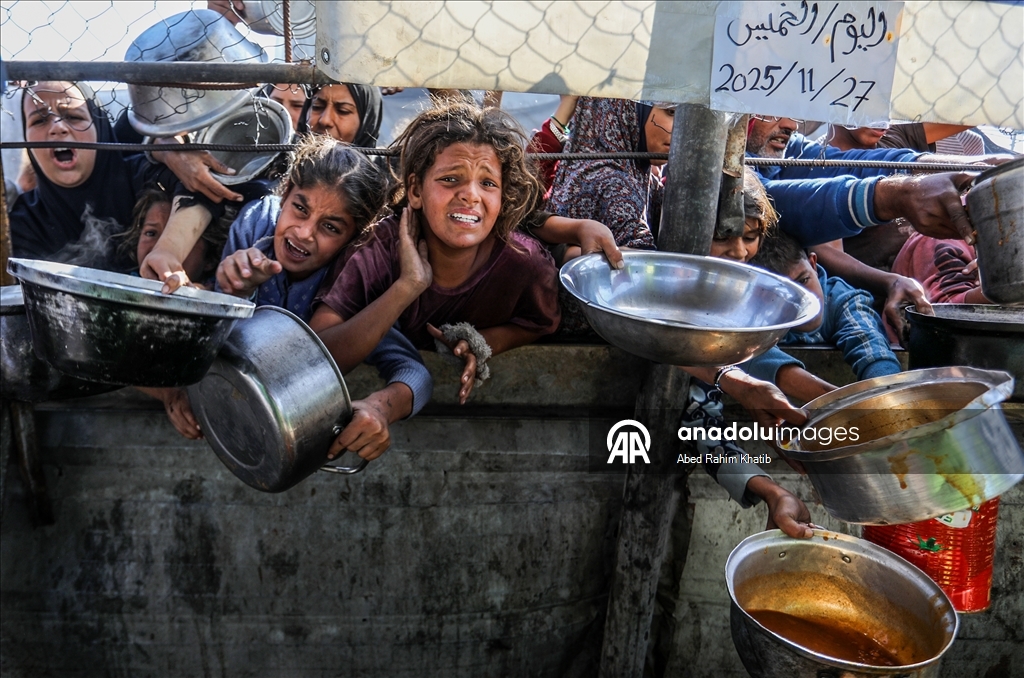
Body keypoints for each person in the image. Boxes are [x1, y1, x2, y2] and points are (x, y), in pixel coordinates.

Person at [310, 101, 562, 405]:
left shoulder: (524, 263)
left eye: (487, 183)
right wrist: (408, 286)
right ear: (415, 190)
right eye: (450, 179)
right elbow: (317, 356)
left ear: (502, 196)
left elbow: (539, 322)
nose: (470, 195)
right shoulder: (378, 249)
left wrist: (482, 343)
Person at [9, 81, 179, 270]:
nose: (57, 128)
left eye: (73, 116)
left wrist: (169, 249)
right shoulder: (24, 220)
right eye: (39, 120)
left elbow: (199, 191)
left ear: (99, 127)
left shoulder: (145, 176)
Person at [752, 231, 903, 380]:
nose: (802, 299)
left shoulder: (842, 300)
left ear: (813, 264)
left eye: (804, 280)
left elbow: (870, 345)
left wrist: (886, 385)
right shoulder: (753, 313)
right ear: (761, 294)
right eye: (783, 294)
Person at [546, 96, 673, 250]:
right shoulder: (615, 185)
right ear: (629, 112)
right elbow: (640, 264)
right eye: (671, 112)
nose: (682, 128)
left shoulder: (641, 178)